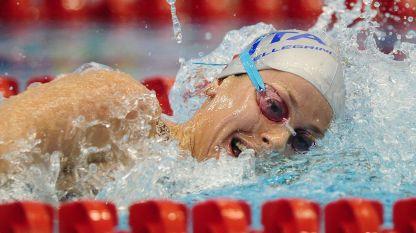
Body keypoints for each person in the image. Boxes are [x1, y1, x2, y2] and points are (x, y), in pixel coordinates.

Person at [0, 30, 344, 194]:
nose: (278, 139)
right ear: (217, 83)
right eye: (274, 106)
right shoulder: (119, 113)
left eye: (301, 141)